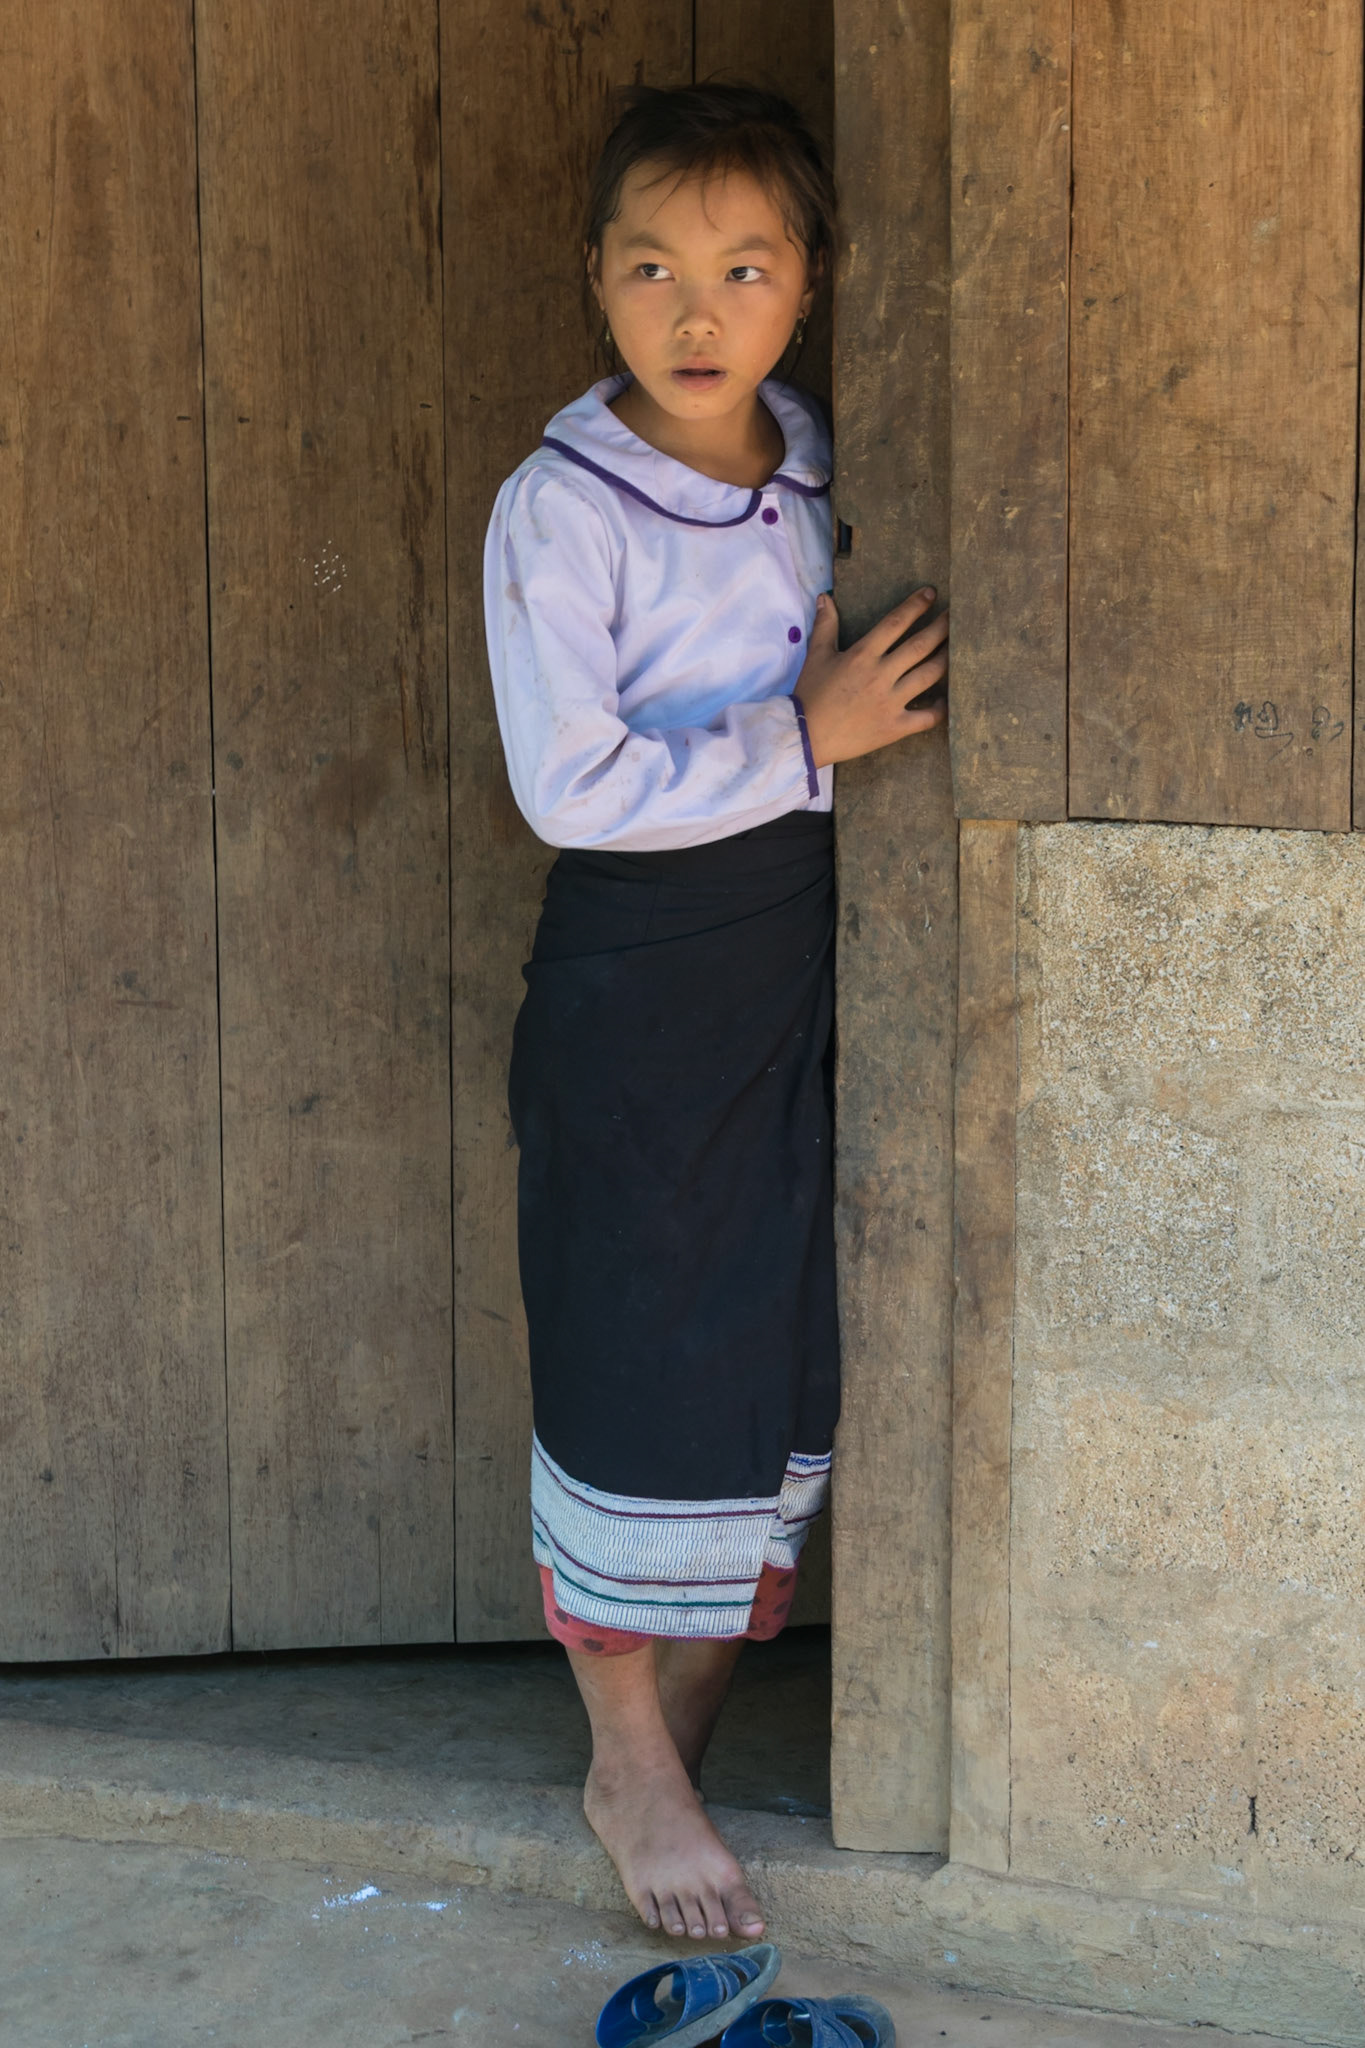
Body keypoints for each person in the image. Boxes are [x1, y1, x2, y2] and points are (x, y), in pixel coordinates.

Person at [483, 79, 948, 1950]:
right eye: (653, 267)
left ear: (810, 283)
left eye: (745, 270)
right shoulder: (564, 506)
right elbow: (570, 784)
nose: (698, 312)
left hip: (789, 966)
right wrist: (804, 741)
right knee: (634, 1342)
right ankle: (626, 1758)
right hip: (640, 975)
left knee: (766, 1353)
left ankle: (662, 1738)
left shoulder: (815, 465)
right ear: (594, 279)